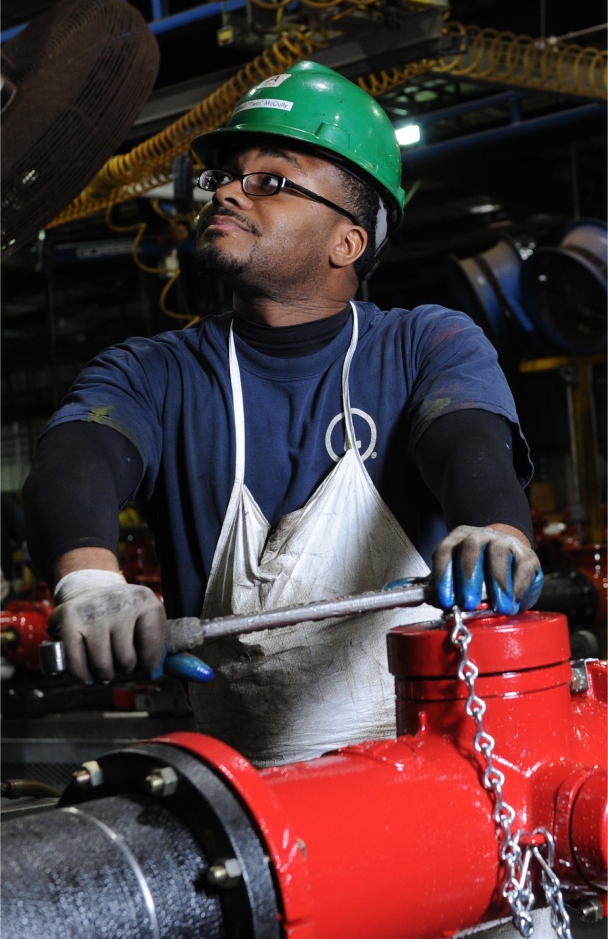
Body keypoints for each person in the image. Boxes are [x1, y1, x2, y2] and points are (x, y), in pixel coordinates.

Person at [24, 61, 542, 769]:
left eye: (270, 181)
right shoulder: (154, 371)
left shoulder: (423, 343)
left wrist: (496, 531)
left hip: (421, 772)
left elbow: (467, 441)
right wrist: (89, 578)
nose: (226, 191)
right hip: (242, 791)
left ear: (347, 242)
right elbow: (77, 455)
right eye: (226, 176)